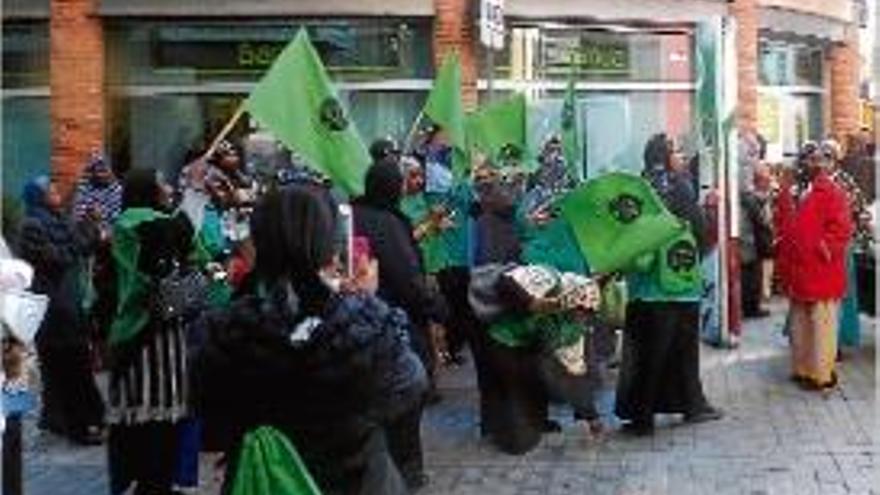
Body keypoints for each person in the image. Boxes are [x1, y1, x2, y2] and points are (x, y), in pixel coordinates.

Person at [193, 185, 427, 495]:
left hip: (264, 482)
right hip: (357, 480)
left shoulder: (229, 331)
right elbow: (408, 390)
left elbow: (209, 425)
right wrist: (363, 302)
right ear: (329, 242)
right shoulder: (365, 325)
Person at [106, 167, 208, 494]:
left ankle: (156, 484)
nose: (166, 187)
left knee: (161, 428)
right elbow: (179, 232)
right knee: (149, 428)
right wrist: (192, 190)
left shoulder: (150, 221)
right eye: (161, 182)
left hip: (163, 337)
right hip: (143, 342)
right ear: (145, 189)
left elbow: (184, 239)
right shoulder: (135, 221)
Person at [614, 133, 722, 436]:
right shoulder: (679, 186)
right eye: (676, 150)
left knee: (643, 354)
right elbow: (699, 231)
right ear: (664, 155)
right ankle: (691, 405)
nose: (682, 156)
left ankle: (641, 417)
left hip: (643, 288)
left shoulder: (637, 187)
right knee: (682, 352)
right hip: (678, 285)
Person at [352, 154, 445, 489]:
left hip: (357, 324)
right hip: (394, 325)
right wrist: (437, 308)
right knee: (405, 405)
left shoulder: (354, 214)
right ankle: (405, 474)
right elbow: (408, 279)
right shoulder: (386, 222)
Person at [17, 176, 105, 445]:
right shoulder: (32, 225)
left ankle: (55, 419)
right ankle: (79, 426)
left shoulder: (61, 219)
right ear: (38, 196)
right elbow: (58, 258)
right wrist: (81, 238)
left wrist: (91, 224)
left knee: (62, 366)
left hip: (68, 302)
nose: (56, 193)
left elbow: (83, 246)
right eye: (50, 190)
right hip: (53, 308)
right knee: (69, 366)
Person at [775, 141, 853, 390]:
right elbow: (782, 223)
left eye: (817, 160)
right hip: (798, 269)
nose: (812, 163)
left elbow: (841, 230)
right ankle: (802, 369)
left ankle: (821, 374)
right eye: (808, 159)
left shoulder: (832, 192)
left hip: (821, 270)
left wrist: (823, 248)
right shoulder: (793, 191)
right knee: (800, 325)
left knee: (822, 325)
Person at [72, 152, 123, 369]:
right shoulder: (84, 193)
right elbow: (78, 222)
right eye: (97, 170)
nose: (101, 174)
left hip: (115, 259)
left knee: (111, 306)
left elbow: (121, 222)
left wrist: (106, 226)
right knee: (91, 308)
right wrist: (93, 223)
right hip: (89, 259)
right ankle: (95, 355)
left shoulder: (119, 192)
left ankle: (111, 353)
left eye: (105, 169)